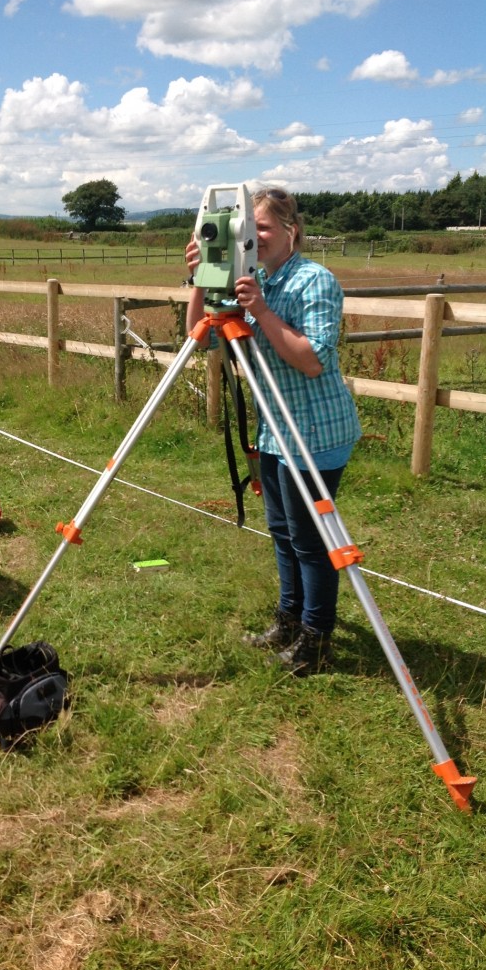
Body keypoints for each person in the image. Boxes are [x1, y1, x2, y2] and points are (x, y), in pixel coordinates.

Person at [185, 187, 361, 675]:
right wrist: (202, 277)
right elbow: (200, 336)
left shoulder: (314, 281)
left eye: (261, 227)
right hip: (274, 429)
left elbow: (309, 361)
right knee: (283, 534)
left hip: (315, 432)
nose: (252, 237)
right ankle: (287, 619)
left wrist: (260, 309)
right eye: (246, 228)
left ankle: (316, 637)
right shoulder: (253, 275)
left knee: (310, 540)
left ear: (291, 231)